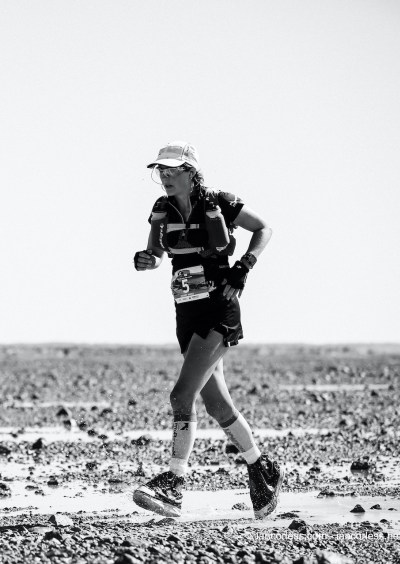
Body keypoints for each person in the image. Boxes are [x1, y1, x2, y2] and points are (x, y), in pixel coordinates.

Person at [131, 141, 283, 520]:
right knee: (217, 405)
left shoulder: (220, 201)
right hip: (186, 310)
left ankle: (174, 484)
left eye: (172, 170)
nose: (165, 177)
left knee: (181, 395)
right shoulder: (161, 209)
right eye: (161, 171)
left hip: (218, 309)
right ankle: (261, 469)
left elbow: (264, 228)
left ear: (190, 172)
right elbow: (156, 255)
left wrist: (244, 265)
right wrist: (145, 260)